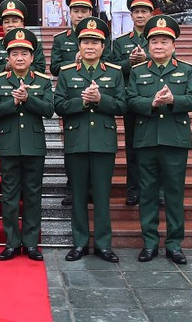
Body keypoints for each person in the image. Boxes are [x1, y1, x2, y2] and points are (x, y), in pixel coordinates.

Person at [127, 15, 192, 264]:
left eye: (164, 41)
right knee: (147, 193)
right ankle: (149, 243)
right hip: (146, 139)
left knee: (174, 193)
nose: (158, 46)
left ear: (173, 45)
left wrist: (173, 101)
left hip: (175, 140)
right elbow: (130, 100)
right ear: (148, 45)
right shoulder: (138, 71)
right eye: (154, 42)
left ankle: (174, 243)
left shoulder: (186, 69)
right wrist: (152, 102)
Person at [55, 17, 126, 262]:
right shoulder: (67, 73)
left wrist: (100, 100)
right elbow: (59, 105)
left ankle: (104, 245)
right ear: (78, 45)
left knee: (102, 196)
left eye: (95, 42)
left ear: (103, 47)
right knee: (78, 196)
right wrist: (83, 102)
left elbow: (122, 104)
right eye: (85, 41)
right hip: (76, 142)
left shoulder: (114, 74)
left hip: (103, 142)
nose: (90, 46)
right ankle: (80, 243)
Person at [0, 28, 53, 262]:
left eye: (24, 53)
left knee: (33, 196)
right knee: (10, 197)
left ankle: (31, 243)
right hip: (9, 145)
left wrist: (29, 99)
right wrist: (14, 102)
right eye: (15, 54)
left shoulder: (42, 81)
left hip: (34, 146)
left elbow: (49, 110)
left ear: (32, 57)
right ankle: (12, 243)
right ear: (8, 58)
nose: (20, 58)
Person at [49, 0, 106, 206]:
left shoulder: (101, 36)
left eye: (84, 10)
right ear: (69, 13)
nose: (80, 14)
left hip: (97, 91)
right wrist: (73, 63)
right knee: (72, 143)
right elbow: (54, 67)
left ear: (91, 12)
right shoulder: (61, 39)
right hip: (72, 93)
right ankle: (72, 187)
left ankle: (93, 187)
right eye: (75, 10)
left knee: (96, 144)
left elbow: (107, 63)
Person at [111, 0, 157, 206]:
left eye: (144, 11)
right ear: (130, 15)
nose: (140, 15)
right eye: (136, 11)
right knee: (132, 147)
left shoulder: (159, 39)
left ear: (151, 14)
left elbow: (170, 61)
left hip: (155, 100)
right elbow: (112, 69)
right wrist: (130, 63)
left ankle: (157, 191)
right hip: (132, 99)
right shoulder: (121, 42)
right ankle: (133, 190)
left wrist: (147, 57)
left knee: (155, 148)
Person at [0, 0, 46, 76]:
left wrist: (20, 67)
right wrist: (6, 67)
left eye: (14, 21)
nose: (10, 25)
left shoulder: (34, 44)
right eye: (6, 22)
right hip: (2, 86)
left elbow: (40, 68)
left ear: (22, 23)